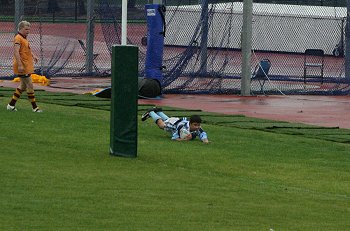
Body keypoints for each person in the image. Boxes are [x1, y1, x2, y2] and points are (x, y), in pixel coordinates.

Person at [7, 20, 42, 112]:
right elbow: (16, 52)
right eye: (26, 29)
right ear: (21, 28)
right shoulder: (18, 38)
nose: (28, 31)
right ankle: (35, 107)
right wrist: (19, 65)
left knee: (23, 86)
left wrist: (33, 55)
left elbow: (25, 49)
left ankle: (11, 105)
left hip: (26, 65)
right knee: (30, 84)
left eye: (29, 29)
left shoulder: (24, 38)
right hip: (22, 65)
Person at [141, 107, 209, 143]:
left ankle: (159, 111)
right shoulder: (182, 128)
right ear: (190, 123)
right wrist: (185, 139)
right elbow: (174, 138)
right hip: (173, 125)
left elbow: (203, 134)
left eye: (198, 125)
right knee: (161, 125)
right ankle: (151, 112)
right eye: (195, 125)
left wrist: (205, 140)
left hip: (176, 121)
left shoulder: (198, 128)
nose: (197, 127)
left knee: (167, 119)